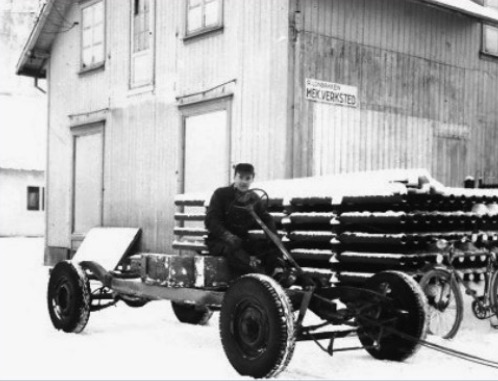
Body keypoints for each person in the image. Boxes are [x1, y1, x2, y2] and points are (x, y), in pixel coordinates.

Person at [205, 163, 295, 284]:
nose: (243, 182)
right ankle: (260, 280)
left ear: (252, 179)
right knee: (237, 254)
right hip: (219, 241)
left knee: (268, 248)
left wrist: (273, 238)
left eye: (247, 178)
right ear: (234, 177)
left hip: (242, 241)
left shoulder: (254, 199)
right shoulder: (221, 194)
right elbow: (211, 221)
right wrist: (228, 236)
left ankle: (278, 274)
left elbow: (265, 218)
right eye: (240, 177)